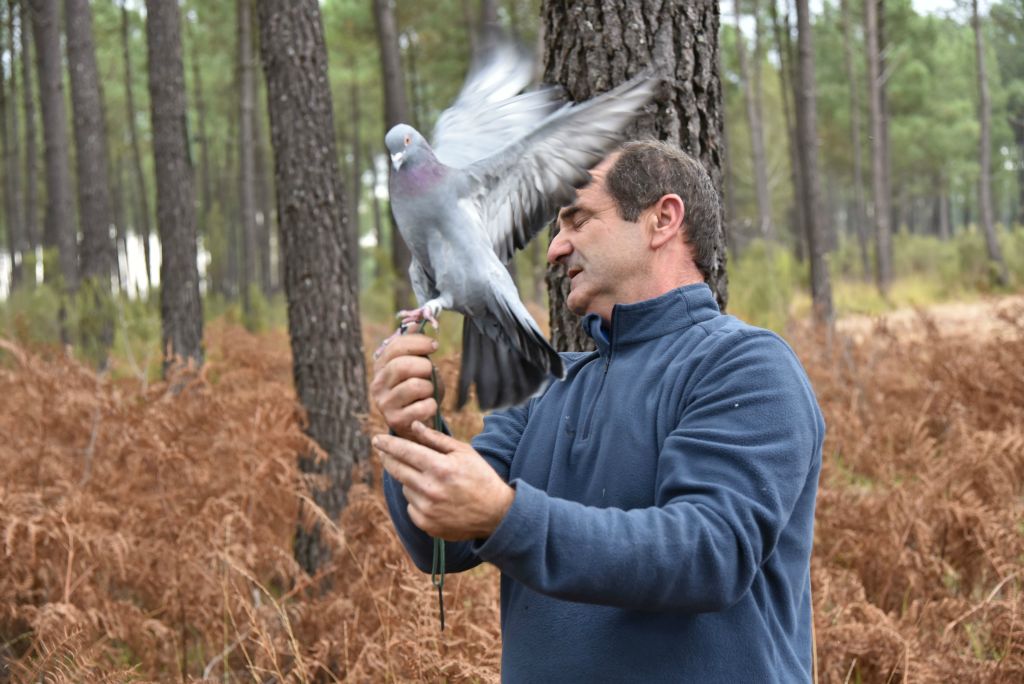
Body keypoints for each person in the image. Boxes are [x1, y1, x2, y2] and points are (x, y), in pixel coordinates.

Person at [370, 140, 824, 682]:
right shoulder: (546, 387)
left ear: (662, 219)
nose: (554, 249)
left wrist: (507, 516)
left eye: (577, 219)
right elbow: (439, 546)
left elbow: (709, 553)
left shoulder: (745, 365)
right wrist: (413, 425)